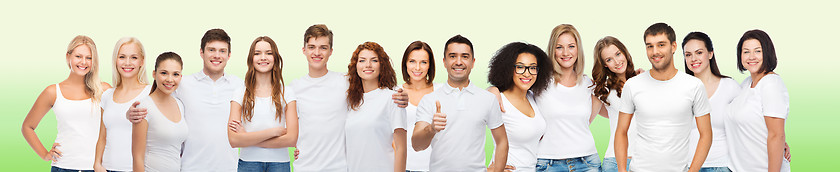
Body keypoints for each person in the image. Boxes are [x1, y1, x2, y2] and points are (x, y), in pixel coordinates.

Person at [289, 24, 408, 172]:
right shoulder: (293, 88)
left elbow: (374, 88)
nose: (317, 52)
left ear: (331, 51)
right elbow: (291, 128)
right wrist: (299, 147)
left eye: (323, 47)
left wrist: (403, 94)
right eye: (312, 47)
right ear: (304, 50)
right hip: (306, 167)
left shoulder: (345, 83)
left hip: (339, 168)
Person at [127, 29, 244, 171]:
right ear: (201, 52)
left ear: (229, 55)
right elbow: (157, 97)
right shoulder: (183, 84)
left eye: (222, 51)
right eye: (211, 50)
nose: (216, 55)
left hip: (228, 168)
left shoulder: (239, 86)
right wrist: (130, 113)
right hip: (190, 168)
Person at [615, 23, 712, 172]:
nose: (655, 52)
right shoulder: (633, 85)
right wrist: (622, 170)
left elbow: (706, 134)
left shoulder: (694, 86)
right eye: (649, 46)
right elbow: (621, 131)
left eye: (661, 45)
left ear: (673, 47)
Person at [411, 35, 509, 172]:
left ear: (473, 62)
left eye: (464, 56)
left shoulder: (487, 99)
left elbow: (502, 141)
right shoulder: (429, 100)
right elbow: (417, 145)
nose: (458, 62)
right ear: (444, 62)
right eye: (452, 56)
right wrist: (431, 128)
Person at [22, 35, 111, 172]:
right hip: (63, 166)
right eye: (78, 56)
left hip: (98, 167)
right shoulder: (53, 92)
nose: (83, 62)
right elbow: (27, 127)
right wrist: (45, 155)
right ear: (68, 57)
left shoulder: (104, 90)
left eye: (89, 57)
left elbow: (120, 123)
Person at [535, 24, 602, 172]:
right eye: (559, 47)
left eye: (571, 46)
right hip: (548, 163)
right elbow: (510, 93)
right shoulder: (539, 82)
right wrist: (493, 89)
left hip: (588, 162)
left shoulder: (588, 84)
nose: (566, 52)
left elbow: (588, 121)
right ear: (553, 50)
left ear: (578, 49)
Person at [227, 36, 298, 172]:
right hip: (249, 164)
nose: (263, 57)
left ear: (275, 58)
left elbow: (292, 139)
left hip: (280, 164)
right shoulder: (239, 93)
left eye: (269, 53)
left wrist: (247, 138)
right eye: (257, 53)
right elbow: (234, 140)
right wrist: (273, 132)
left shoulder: (287, 93)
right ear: (251, 59)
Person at [725, 29, 791, 172]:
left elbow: (776, 135)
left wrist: (780, 141)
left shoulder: (771, 84)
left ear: (767, 53)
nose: (751, 56)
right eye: (746, 51)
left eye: (757, 51)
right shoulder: (746, 84)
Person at [487, 42, 552, 171]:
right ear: (508, 69)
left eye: (532, 68)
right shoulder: (498, 100)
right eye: (520, 67)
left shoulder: (533, 98)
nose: (527, 74)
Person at [344, 42, 407, 172]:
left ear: (381, 65)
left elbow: (401, 148)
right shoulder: (351, 101)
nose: (368, 65)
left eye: (374, 60)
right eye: (362, 60)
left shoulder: (393, 98)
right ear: (356, 66)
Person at [681, 32, 738, 172]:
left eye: (699, 52)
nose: (693, 59)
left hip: (722, 165)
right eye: (688, 55)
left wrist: (780, 140)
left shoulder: (729, 86)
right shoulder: (679, 89)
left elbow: (751, 118)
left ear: (711, 53)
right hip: (686, 165)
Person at [94, 37, 152, 172]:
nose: (127, 63)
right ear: (115, 60)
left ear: (141, 61)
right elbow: (102, 136)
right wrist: (97, 164)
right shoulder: (107, 95)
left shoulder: (150, 93)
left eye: (133, 57)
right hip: (107, 168)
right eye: (122, 57)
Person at [131, 52, 188, 172]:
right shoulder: (144, 107)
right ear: (154, 74)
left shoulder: (180, 105)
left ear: (181, 77)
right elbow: (137, 158)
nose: (170, 79)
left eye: (175, 74)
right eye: (164, 73)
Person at [590, 36, 638, 172]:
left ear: (624, 52)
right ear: (605, 64)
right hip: (614, 162)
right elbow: (586, 120)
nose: (617, 62)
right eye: (609, 59)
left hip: (645, 161)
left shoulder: (643, 81)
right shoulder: (603, 90)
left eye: (618, 54)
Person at [399, 41, 437, 172]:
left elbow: (469, 93)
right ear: (405, 63)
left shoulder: (442, 91)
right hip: (404, 166)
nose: (417, 68)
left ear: (430, 65)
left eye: (423, 62)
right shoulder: (394, 92)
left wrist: (493, 89)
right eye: (412, 61)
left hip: (436, 166)